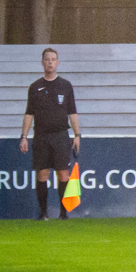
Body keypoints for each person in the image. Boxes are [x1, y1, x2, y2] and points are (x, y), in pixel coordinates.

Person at [19, 48, 81, 221]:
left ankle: (63, 213)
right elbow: (29, 113)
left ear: (58, 62)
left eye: (53, 59)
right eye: (47, 59)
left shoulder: (65, 86)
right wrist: (23, 136)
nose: (50, 62)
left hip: (61, 135)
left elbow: (72, 112)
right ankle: (43, 213)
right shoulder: (35, 87)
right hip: (41, 136)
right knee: (42, 174)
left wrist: (77, 135)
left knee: (63, 173)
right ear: (42, 62)